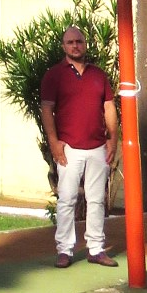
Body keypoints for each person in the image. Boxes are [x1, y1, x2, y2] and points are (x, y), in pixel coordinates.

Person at [39, 24, 118, 269]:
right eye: (70, 42)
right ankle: (64, 250)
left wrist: (112, 138)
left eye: (79, 42)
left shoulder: (98, 75)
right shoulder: (54, 75)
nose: (76, 46)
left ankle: (95, 248)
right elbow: (46, 109)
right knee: (67, 199)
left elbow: (108, 107)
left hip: (97, 148)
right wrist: (54, 143)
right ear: (64, 47)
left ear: (85, 45)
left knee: (96, 200)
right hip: (69, 149)